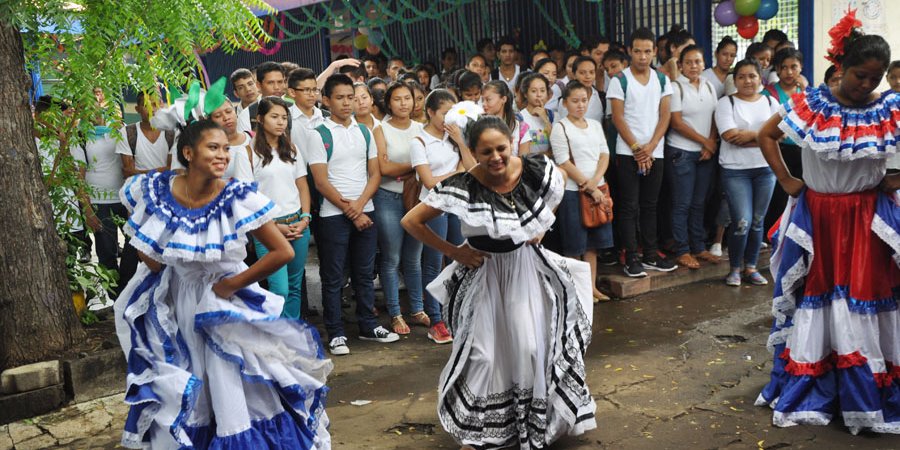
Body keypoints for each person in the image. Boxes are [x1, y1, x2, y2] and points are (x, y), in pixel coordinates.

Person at [113, 119, 332, 449]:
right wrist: (171, 273)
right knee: (192, 382)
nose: (223, 155)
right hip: (178, 304)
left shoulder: (236, 196)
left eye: (226, 149)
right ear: (187, 152)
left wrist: (231, 285)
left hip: (224, 306)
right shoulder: (158, 191)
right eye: (213, 147)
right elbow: (149, 250)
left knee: (232, 381)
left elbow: (282, 251)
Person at [400, 116, 597, 449]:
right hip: (484, 275)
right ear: (473, 151)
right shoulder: (462, 184)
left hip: (524, 271)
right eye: (486, 151)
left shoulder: (533, 169)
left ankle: (535, 423)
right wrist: (453, 252)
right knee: (482, 355)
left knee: (529, 348)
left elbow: (559, 181)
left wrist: (540, 228)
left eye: (501, 148)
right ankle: (478, 431)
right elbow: (411, 220)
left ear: (511, 142)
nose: (495, 157)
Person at [754, 20, 900, 433]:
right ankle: (822, 384)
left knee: (860, 298)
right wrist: (786, 181)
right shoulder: (811, 104)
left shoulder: (888, 107)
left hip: (867, 219)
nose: (865, 84)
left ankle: (863, 393)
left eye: (874, 78)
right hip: (819, 216)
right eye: (860, 75)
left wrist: (895, 178)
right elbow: (766, 134)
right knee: (819, 296)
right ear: (842, 68)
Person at [308, 74, 398, 356]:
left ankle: (368, 326)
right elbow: (321, 182)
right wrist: (351, 210)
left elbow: (375, 174)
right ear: (326, 101)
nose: (347, 103)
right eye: (340, 98)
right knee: (333, 276)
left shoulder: (364, 131)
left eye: (351, 97)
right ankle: (335, 333)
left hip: (365, 211)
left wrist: (359, 206)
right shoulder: (318, 134)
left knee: (364, 273)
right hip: (332, 215)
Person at [232, 96, 311, 320]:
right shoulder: (246, 153)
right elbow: (246, 198)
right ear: (260, 119)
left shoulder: (292, 149)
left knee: (295, 286)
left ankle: (292, 336)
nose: (280, 122)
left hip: (298, 223)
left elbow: (302, 185)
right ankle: (276, 337)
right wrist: (275, 226)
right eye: (274, 117)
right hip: (267, 229)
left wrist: (305, 218)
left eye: (284, 118)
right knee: (280, 289)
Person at [607, 27, 677, 277]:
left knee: (650, 205)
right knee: (629, 206)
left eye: (648, 51)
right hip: (628, 152)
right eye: (637, 51)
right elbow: (617, 117)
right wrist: (637, 149)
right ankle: (631, 257)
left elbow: (665, 115)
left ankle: (650, 254)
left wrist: (650, 147)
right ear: (629, 51)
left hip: (654, 151)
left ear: (654, 52)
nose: (642, 56)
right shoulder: (619, 80)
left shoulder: (662, 79)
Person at [409, 89, 474, 344]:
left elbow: (470, 168)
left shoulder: (454, 138)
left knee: (460, 259)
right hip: (432, 206)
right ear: (430, 112)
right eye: (445, 113)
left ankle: (458, 313)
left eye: (453, 113)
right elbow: (428, 181)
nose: (450, 118)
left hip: (457, 206)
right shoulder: (419, 141)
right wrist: (455, 174)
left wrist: (460, 143)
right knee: (433, 264)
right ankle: (435, 320)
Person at [714, 59, 779, 286]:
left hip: (765, 169)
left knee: (758, 221)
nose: (747, 81)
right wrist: (763, 136)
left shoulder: (770, 102)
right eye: (741, 76)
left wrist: (750, 136)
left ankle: (750, 267)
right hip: (735, 171)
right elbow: (730, 136)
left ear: (760, 78)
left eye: (751, 76)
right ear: (735, 80)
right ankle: (734, 268)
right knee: (742, 220)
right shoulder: (726, 103)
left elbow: (780, 133)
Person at [371, 81, 426, 336]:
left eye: (408, 98)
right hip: (387, 199)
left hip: (416, 200)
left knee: (413, 259)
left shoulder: (421, 128)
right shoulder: (380, 129)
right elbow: (384, 169)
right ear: (388, 102)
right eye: (398, 99)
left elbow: (428, 164)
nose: (404, 103)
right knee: (392, 258)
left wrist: (402, 167)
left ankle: (417, 309)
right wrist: (415, 166)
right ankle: (395, 313)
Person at [550, 80, 614, 301]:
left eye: (584, 100)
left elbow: (604, 154)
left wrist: (595, 183)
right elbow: (563, 162)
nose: (580, 105)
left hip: (597, 188)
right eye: (575, 101)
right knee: (574, 245)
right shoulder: (561, 128)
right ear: (565, 103)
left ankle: (591, 288)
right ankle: (575, 292)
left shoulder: (595, 125)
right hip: (572, 192)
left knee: (593, 245)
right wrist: (588, 186)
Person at [666, 45, 720, 270]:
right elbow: (676, 122)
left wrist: (711, 142)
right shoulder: (675, 87)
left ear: (704, 63)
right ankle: (682, 250)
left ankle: (698, 247)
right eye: (688, 62)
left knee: (699, 203)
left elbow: (716, 117)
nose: (694, 66)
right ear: (680, 66)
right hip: (681, 152)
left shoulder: (709, 86)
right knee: (682, 203)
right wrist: (704, 141)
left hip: (705, 152)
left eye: (697, 61)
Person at [763, 48, 805, 233]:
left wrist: (804, 91)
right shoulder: (769, 93)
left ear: (801, 67)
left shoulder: (807, 92)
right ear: (777, 70)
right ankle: (774, 234)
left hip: (803, 151)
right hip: (780, 150)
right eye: (784, 67)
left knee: (803, 194)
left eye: (793, 67)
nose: (789, 72)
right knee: (779, 196)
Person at [117, 91, 174, 178]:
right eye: (146, 105)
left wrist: (139, 172)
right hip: (137, 189)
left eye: (155, 104)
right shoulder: (127, 132)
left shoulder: (172, 132)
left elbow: (173, 169)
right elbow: (128, 172)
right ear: (137, 109)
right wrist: (163, 170)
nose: (152, 109)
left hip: (166, 188)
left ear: (162, 106)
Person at [482, 80, 531, 156]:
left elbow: (524, 162)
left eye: (488, 100)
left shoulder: (520, 128)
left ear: (503, 99)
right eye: (482, 100)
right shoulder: (479, 126)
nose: (484, 104)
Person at [237, 62, 287, 133]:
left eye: (280, 82)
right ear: (258, 85)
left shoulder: (293, 109)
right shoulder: (246, 116)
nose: (277, 87)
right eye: (270, 83)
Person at [558, 56, 605, 123]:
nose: (588, 76)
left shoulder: (600, 97)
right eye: (582, 73)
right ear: (574, 75)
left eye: (591, 72)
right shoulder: (566, 99)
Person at [518, 72, 554, 155]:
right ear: (525, 94)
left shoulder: (553, 116)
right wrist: (547, 154)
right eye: (534, 91)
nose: (539, 95)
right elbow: (523, 154)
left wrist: (545, 119)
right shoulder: (519, 118)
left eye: (542, 91)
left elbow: (557, 146)